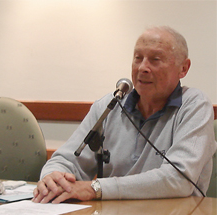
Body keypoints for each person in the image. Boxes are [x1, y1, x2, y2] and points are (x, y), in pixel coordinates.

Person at [32, 26, 217, 204]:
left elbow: (179, 179)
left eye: (155, 59)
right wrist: (53, 177)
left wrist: (96, 188)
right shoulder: (109, 105)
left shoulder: (194, 105)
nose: (143, 67)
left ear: (183, 68)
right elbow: (66, 160)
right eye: (138, 58)